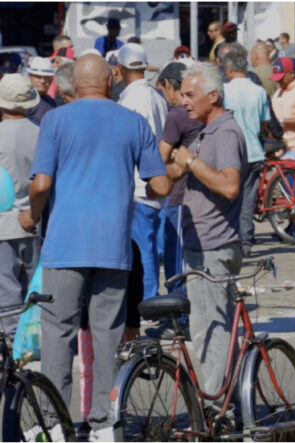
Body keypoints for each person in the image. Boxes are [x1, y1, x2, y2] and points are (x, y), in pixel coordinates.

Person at [18, 54, 170, 440]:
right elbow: (161, 186)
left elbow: (40, 185)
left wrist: (33, 215)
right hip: (113, 246)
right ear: (109, 82)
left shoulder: (55, 120)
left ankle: (52, 424)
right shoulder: (133, 122)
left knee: (58, 334)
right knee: (107, 335)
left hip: (64, 244)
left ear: (73, 85)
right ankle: (105, 423)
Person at [169, 62, 247, 396]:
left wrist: (190, 162)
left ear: (213, 96)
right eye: (182, 94)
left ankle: (217, 408)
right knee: (206, 330)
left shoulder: (225, 132)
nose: (183, 101)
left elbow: (230, 186)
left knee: (211, 331)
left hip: (215, 247)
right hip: (201, 245)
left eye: (191, 94)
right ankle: (223, 400)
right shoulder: (206, 132)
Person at [145, 62, 204, 341]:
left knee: (176, 263)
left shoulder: (178, 116)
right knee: (186, 260)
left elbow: (160, 156)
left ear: (172, 85)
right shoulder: (207, 113)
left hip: (179, 196)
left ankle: (178, 320)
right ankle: (184, 315)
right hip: (200, 197)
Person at [117, 43, 169, 310]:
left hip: (140, 185)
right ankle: (152, 300)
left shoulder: (130, 100)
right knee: (151, 248)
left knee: (142, 250)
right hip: (156, 184)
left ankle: (148, 302)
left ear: (122, 69)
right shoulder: (158, 97)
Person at [220, 50, 271, 258]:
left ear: (229, 69)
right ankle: (246, 242)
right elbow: (264, 123)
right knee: (248, 200)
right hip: (254, 151)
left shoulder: (223, 90)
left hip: (231, 152)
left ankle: (231, 239)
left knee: (230, 199)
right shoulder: (259, 91)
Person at [0, 74, 40, 339]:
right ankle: (35, 336)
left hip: (4, 222)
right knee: (34, 286)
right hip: (35, 219)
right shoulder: (41, 132)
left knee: (7, 288)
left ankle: (13, 341)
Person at [26, 57, 56, 124]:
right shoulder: (24, 100)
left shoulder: (51, 101)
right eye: (38, 76)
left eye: (47, 77)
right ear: (29, 77)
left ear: (51, 79)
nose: (43, 81)